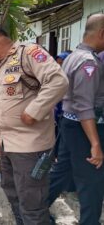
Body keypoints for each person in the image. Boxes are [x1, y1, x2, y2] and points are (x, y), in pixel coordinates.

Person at [0, 24, 68, 225]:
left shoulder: (28, 53)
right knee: (13, 195)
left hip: (30, 147)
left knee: (32, 205)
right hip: (8, 146)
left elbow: (58, 81)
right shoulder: (2, 65)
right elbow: (3, 105)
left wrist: (33, 112)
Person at [48, 14, 104, 225]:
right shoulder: (88, 62)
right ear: (102, 33)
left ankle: (34, 212)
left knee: (62, 172)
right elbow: (84, 106)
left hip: (70, 125)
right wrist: (95, 144)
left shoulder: (74, 55)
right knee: (91, 183)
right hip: (83, 129)